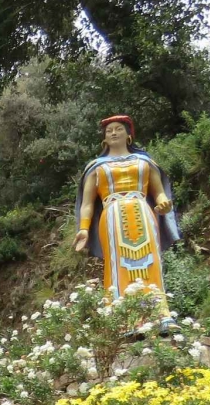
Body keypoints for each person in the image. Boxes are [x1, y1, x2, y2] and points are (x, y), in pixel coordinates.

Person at [73, 115, 181, 309]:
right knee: (117, 262)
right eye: (109, 131)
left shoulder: (144, 162)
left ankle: (159, 311)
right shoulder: (97, 167)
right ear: (104, 139)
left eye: (119, 129)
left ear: (129, 134)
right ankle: (121, 312)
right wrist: (83, 228)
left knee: (151, 260)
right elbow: (87, 204)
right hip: (112, 216)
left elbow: (159, 193)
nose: (114, 133)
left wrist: (164, 203)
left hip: (143, 213)